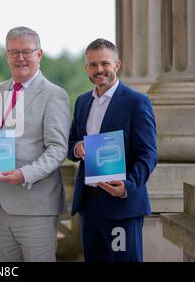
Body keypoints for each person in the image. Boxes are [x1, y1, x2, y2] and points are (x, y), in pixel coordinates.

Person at [0, 26, 71, 262]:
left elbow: (58, 149)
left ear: (39, 54)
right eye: (13, 52)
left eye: (26, 51)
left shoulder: (54, 94)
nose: (20, 58)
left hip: (35, 204)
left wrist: (24, 174)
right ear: (6, 55)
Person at [68, 38, 157, 262]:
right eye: (93, 65)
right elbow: (71, 143)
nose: (100, 70)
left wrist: (128, 186)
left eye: (105, 64)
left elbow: (148, 153)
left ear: (117, 65)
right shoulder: (82, 102)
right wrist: (77, 148)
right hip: (89, 205)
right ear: (86, 68)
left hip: (122, 206)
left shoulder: (136, 102)